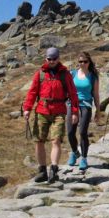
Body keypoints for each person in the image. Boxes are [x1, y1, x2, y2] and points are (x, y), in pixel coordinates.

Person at [23, 47, 79, 184]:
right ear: (46, 59)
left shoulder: (65, 75)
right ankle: (42, 171)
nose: (52, 61)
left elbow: (73, 94)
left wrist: (75, 111)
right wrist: (27, 108)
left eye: (54, 59)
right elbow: (32, 92)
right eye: (49, 59)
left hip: (59, 111)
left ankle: (53, 169)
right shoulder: (40, 74)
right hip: (41, 111)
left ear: (58, 58)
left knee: (56, 140)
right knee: (39, 141)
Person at [66, 51, 101, 171]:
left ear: (89, 62)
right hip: (72, 104)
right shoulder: (72, 74)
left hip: (86, 105)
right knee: (70, 132)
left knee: (82, 132)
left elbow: (96, 94)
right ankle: (75, 152)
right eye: (80, 61)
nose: (82, 64)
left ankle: (84, 158)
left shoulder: (93, 76)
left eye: (85, 61)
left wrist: (98, 110)